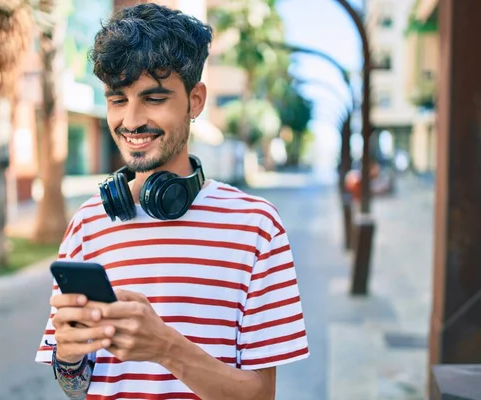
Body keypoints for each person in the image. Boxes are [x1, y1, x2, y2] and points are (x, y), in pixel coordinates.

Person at [35, 3, 309, 399]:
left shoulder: (257, 227)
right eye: (117, 99)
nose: (131, 120)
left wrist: (166, 348)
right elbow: (73, 387)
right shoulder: (88, 222)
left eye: (154, 98)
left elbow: (260, 395)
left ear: (195, 100)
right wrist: (69, 355)